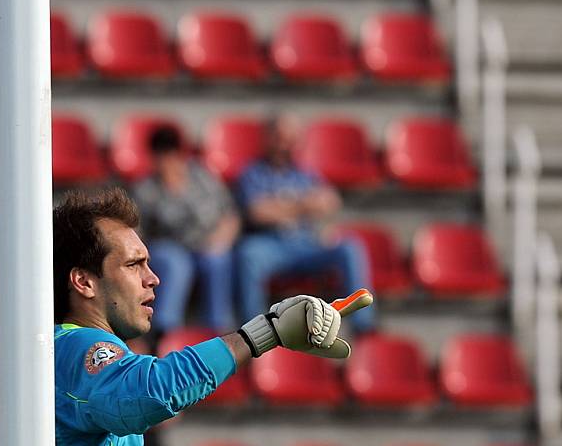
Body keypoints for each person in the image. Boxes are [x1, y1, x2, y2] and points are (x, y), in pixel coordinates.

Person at [53, 188, 371, 445]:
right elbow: (151, 391)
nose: (153, 278)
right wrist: (263, 333)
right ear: (84, 282)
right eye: (134, 264)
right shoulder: (78, 346)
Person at [235, 114, 375, 334]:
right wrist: (303, 204)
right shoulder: (252, 172)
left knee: (350, 247)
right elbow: (258, 212)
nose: (286, 145)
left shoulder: (303, 171)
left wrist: (282, 205)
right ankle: (253, 332)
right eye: (281, 138)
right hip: (270, 245)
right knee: (248, 254)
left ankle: (363, 325)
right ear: (268, 139)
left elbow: (330, 201)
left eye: (291, 139)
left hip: (305, 243)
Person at [132, 125, 239, 336]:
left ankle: (218, 330)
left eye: (172, 154)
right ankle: (165, 331)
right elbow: (137, 233)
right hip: (168, 246)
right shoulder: (146, 189)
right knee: (176, 262)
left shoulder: (202, 177)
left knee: (218, 260)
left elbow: (230, 214)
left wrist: (221, 240)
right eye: (161, 155)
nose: (168, 161)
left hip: (207, 243)